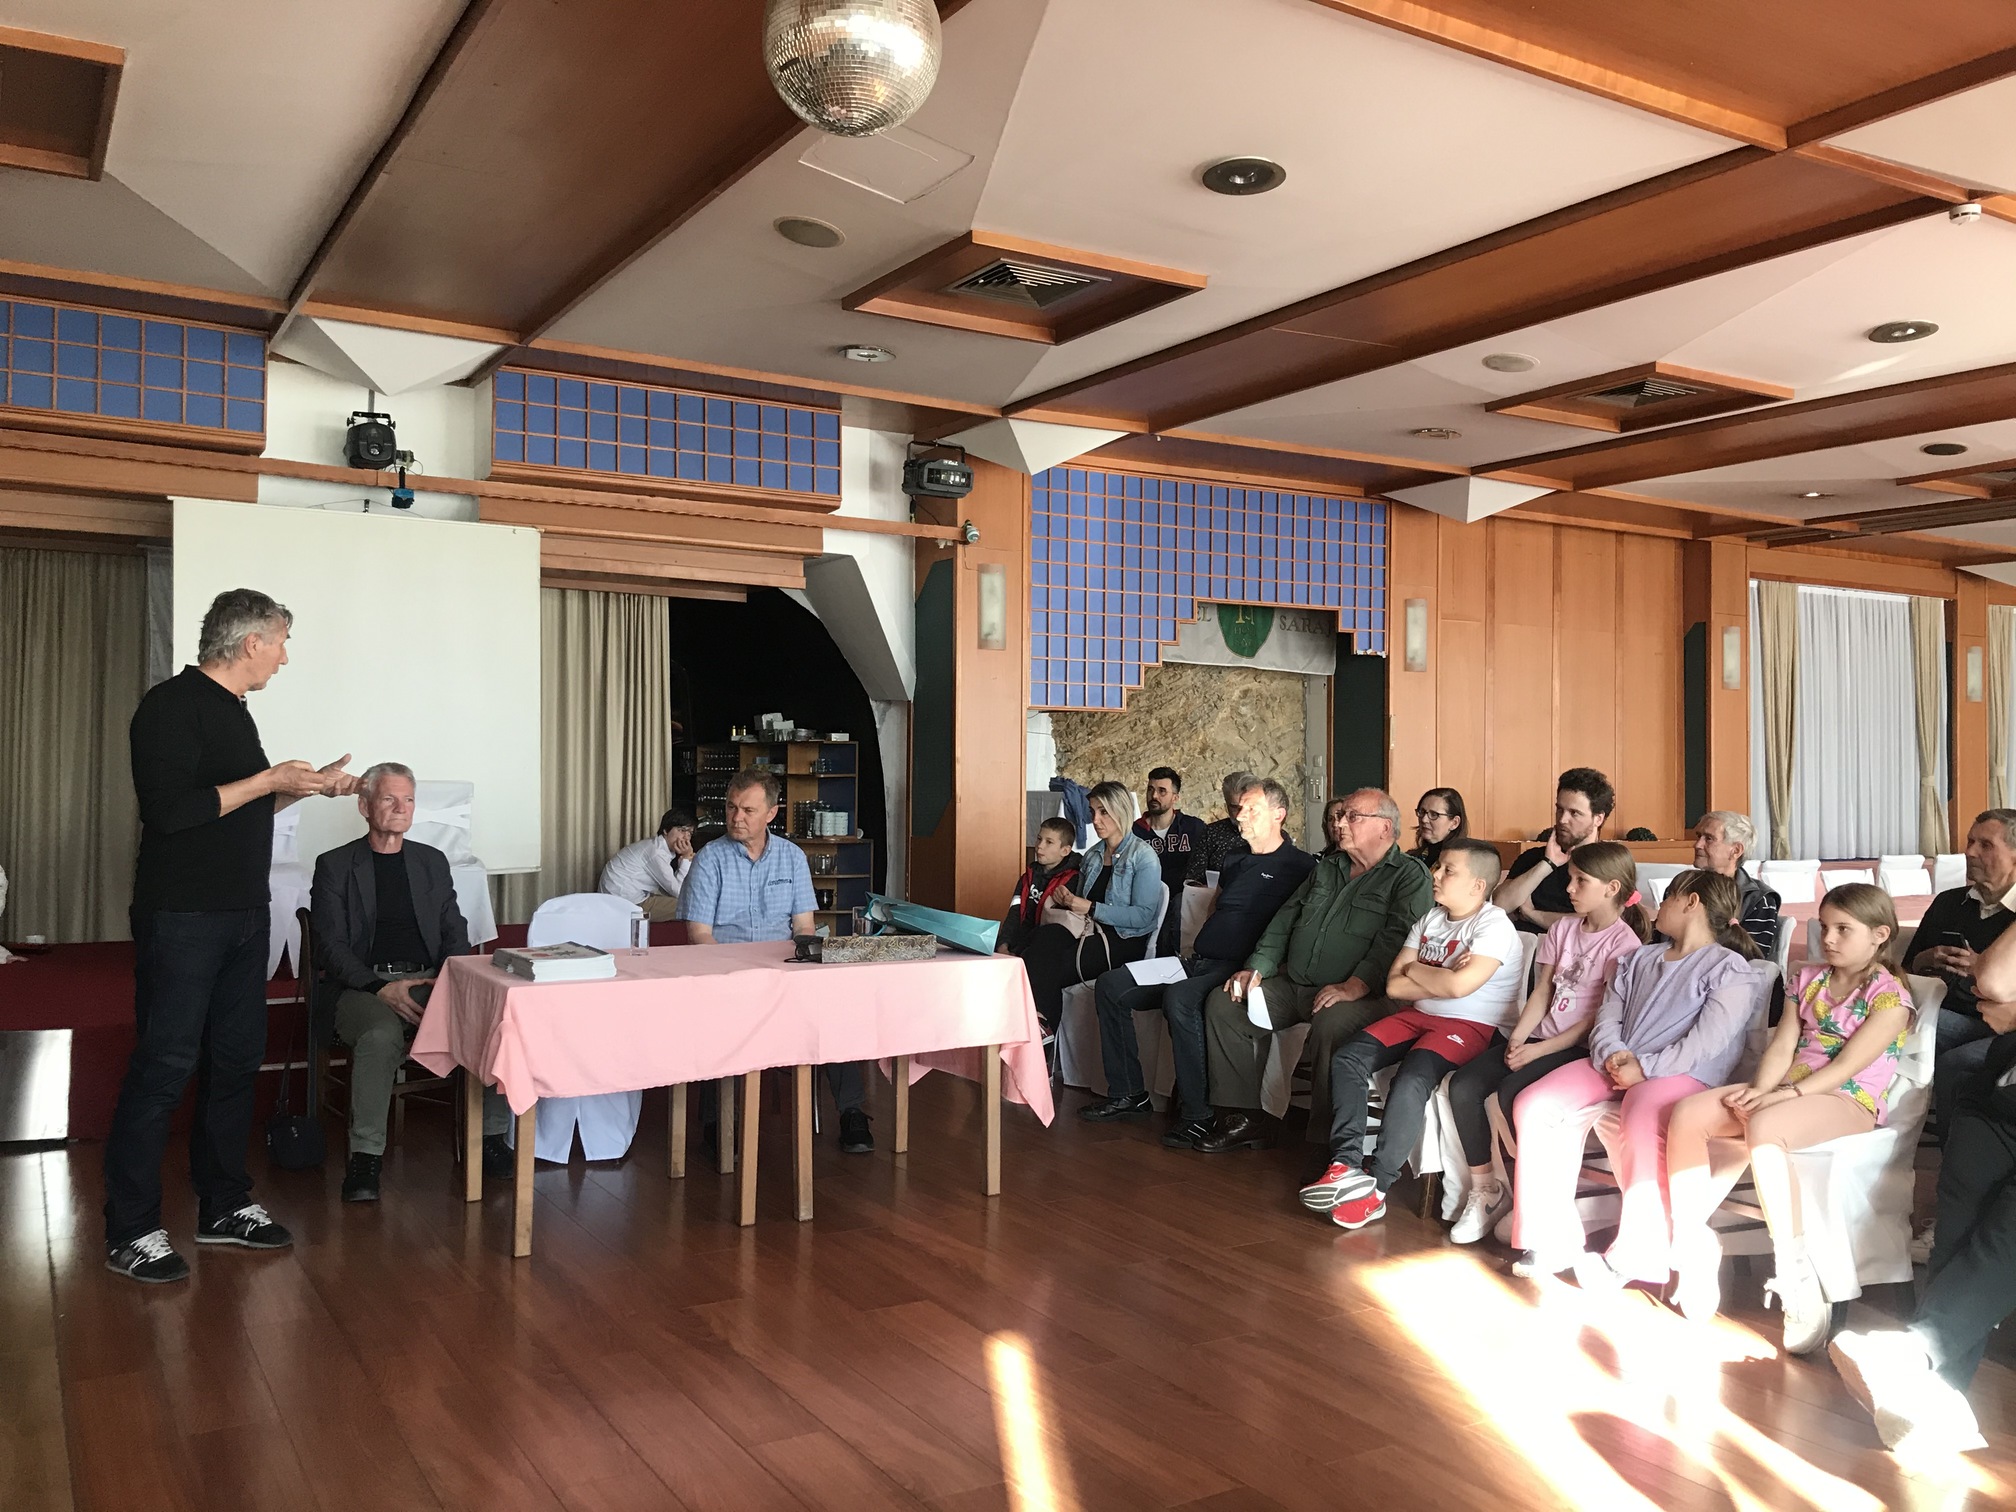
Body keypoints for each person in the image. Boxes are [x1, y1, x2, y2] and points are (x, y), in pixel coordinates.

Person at [105, 588, 361, 1284]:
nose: (284, 657)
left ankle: (222, 1206)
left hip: (244, 914)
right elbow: (171, 813)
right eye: (281, 642)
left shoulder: (234, 711)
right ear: (251, 642)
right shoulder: (169, 707)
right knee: (164, 1067)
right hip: (183, 917)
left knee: (236, 1061)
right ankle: (131, 1229)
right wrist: (267, 778)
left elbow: (234, 808)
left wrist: (300, 789)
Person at [1666, 884, 1911, 1353]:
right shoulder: (1807, 978)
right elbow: (1783, 1045)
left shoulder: (1889, 997)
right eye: (1825, 927)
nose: (1829, 938)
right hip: (1786, 1093)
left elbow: (1848, 1066)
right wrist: (1761, 1090)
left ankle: (1795, 1271)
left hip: (1846, 1100)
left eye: (1843, 929)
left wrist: (1782, 1097)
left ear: (1880, 935)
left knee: (1765, 1128)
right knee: (1689, 1112)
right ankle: (1692, 1242)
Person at [1510, 869, 1760, 1290]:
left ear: (1691, 902)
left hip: (1683, 1073)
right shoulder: (1640, 958)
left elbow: (1707, 1041)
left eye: (1668, 897)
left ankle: (1637, 1255)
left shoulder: (1728, 967)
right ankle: (1548, 1236)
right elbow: (1608, 1016)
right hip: (1619, 1063)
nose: (1658, 906)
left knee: (1642, 1110)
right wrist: (1614, 1055)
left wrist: (1644, 1068)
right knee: (1536, 1104)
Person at [1828, 918, 2016, 1459]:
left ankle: (1914, 1353)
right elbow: (1995, 980)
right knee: (1956, 1233)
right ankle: (1934, 1398)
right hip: (2001, 1094)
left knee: (2005, 1237)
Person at [311, 762, 512, 1202]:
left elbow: (453, 929)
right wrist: (378, 987)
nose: (401, 808)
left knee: (493, 1022)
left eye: (408, 800)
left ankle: (492, 1139)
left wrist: (448, 979)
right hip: (362, 987)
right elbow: (330, 946)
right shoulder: (335, 865)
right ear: (365, 806)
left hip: (428, 980)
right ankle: (365, 1158)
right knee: (381, 1035)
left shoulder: (430, 861)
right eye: (389, 798)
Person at [1194, 789, 1432, 1154]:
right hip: (1297, 984)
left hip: (1366, 995)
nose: (1340, 823)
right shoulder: (1327, 868)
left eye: (1352, 816)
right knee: (1225, 1003)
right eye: (1340, 815)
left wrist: (1356, 985)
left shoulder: (1408, 876)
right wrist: (1256, 968)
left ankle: (1328, 1142)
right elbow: (1284, 921)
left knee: (1333, 1022)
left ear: (1385, 827)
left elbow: (1397, 939)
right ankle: (1245, 1118)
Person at [1302, 840, 1524, 1230]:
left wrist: (1419, 970)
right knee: (1348, 1058)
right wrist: (1443, 973)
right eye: (1438, 867)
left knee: (1411, 1079)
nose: (1435, 875)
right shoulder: (1430, 919)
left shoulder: (1493, 926)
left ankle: (1376, 1188)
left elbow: (1459, 988)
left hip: (1472, 1025)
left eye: (1448, 870)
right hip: (1418, 1015)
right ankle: (1346, 1165)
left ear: (1477, 885)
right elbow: (1393, 985)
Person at [1081, 778, 1315, 1143]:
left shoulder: (1300, 866)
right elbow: (1217, 906)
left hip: (1236, 968)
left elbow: (1296, 928)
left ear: (1279, 815)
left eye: (1252, 809)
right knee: (1112, 985)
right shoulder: (1234, 857)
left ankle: (1197, 1114)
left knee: (1181, 998)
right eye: (1240, 808)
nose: (1241, 815)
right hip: (1197, 960)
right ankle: (1129, 1094)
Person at [1445, 841, 1650, 1245]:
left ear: (1611, 888)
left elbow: (1598, 1018)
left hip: (1578, 1049)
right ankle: (1487, 1188)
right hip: (1539, 1037)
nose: (1569, 888)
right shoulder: (1562, 929)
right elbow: (1543, 992)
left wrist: (1538, 1050)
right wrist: (1519, 1038)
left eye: (1580, 881)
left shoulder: (1624, 944)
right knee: (1464, 1086)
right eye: (1570, 878)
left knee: (1511, 1092)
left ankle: (1531, 1197)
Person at [682, 768, 873, 1154]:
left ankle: (852, 1113)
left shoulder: (792, 857)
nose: (736, 817)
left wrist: (805, 968)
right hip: (728, 974)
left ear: (772, 813)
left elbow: (804, 927)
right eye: (732, 807)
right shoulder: (710, 859)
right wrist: (731, 976)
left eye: (748, 810)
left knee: (832, 1014)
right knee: (719, 1020)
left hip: (784, 974)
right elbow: (699, 935)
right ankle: (719, 1122)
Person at [1019, 781, 1163, 1031]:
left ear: (1121, 810)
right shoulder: (1093, 855)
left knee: (1049, 964)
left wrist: (1092, 908)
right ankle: (1039, 1026)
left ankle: (1041, 1028)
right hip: (1087, 930)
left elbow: (1143, 916)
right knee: (1039, 940)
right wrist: (1067, 899)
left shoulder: (1143, 856)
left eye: (1103, 812)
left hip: (1123, 940)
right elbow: (1080, 904)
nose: (1095, 820)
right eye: (1093, 811)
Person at [1910, 810, 2016, 1127]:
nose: (1970, 852)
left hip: (1999, 1023)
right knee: (1884, 1019)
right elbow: (1904, 969)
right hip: (1941, 1009)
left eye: (1985, 845)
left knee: (1948, 1053)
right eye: (1970, 842)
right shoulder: (1948, 903)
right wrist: (1926, 959)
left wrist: (1982, 967)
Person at [1494, 767, 1616, 933]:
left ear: (1598, 819)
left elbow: (1595, 924)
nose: (1562, 819)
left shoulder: (1610, 865)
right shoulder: (1532, 858)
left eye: (1574, 813)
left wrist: (1532, 914)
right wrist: (1548, 864)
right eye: (1560, 809)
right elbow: (1499, 906)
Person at [1135, 766, 1206, 955]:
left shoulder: (1193, 828)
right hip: (1146, 900)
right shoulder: (1135, 832)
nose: (1154, 796)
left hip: (1185, 902)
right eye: (1150, 789)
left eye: (1162, 791)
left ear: (1175, 797)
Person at [1692, 810, 1781, 957]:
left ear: (1736, 850)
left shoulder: (1758, 899)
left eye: (1709, 838)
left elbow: (1752, 958)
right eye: (1698, 837)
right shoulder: (1683, 887)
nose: (1697, 845)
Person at [997, 817, 1081, 958]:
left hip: (1043, 951)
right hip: (1017, 945)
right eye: (1039, 839)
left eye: (1049, 842)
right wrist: (1003, 943)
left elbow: (1058, 927)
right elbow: (1014, 914)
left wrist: (1020, 953)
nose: (1040, 846)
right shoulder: (1028, 876)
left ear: (1065, 851)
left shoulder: (1073, 881)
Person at [599, 805, 696, 922]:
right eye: (682, 830)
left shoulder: (654, 846)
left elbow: (671, 889)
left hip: (620, 898)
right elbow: (678, 892)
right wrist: (686, 858)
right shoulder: (656, 853)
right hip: (625, 904)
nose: (686, 837)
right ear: (666, 830)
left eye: (690, 833)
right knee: (690, 905)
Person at [1185, 771, 1258, 883]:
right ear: (1226, 805)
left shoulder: (1273, 835)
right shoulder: (1211, 833)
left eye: (1247, 807)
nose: (1241, 814)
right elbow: (1193, 879)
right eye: (1235, 807)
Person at [1408, 787, 1468, 868]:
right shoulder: (1410, 859)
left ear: (1454, 823)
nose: (1424, 819)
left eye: (1434, 814)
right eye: (1422, 812)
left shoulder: (1463, 864)